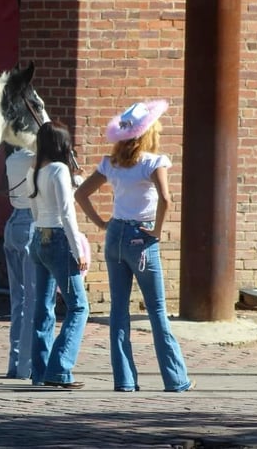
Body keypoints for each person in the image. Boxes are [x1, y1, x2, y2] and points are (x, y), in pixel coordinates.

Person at [74, 100, 195, 393]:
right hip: (142, 237)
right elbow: (165, 199)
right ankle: (175, 379)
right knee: (157, 309)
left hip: (115, 233)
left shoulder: (110, 163)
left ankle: (125, 380)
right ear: (148, 133)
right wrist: (157, 230)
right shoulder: (154, 162)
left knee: (118, 310)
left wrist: (102, 223)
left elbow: (81, 194)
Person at [26, 121, 90, 389]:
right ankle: (60, 368)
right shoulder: (60, 170)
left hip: (39, 237)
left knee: (43, 307)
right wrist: (78, 250)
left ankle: (40, 371)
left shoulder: (33, 170)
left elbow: (35, 210)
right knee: (79, 306)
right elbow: (67, 214)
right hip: (59, 240)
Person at [3, 146, 37, 379]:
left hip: (13, 221)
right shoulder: (35, 158)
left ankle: (14, 362)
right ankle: (27, 365)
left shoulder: (12, 158)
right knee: (33, 300)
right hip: (31, 221)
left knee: (18, 299)